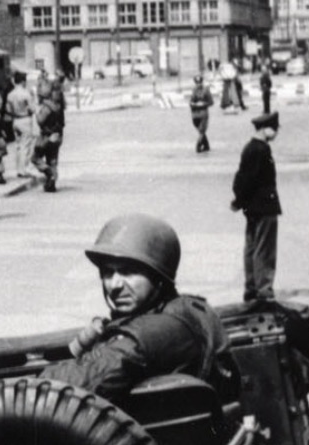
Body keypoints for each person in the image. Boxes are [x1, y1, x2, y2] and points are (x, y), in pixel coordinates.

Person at [42, 214, 230, 403]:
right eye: (108, 272)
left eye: (128, 272)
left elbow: (74, 383)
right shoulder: (182, 309)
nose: (114, 284)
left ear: (158, 277)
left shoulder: (155, 332)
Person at [232, 110, 281, 302]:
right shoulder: (261, 149)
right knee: (265, 250)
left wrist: (240, 201)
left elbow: (241, 178)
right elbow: (250, 179)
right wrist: (240, 200)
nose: (277, 133)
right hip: (265, 207)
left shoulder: (250, 147)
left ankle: (251, 288)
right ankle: (264, 291)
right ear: (266, 129)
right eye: (275, 129)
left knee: (251, 248)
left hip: (252, 207)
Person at [33, 77, 66, 191]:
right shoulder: (59, 106)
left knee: (35, 158)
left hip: (46, 136)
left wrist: (37, 112)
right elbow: (63, 123)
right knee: (52, 160)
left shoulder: (47, 107)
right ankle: (51, 183)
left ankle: (48, 173)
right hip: (58, 136)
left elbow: (40, 121)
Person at [5, 71, 36, 176]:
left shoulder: (10, 95)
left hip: (15, 120)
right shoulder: (26, 93)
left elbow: (8, 109)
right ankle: (24, 169)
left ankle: (18, 169)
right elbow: (33, 109)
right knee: (26, 145)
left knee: (18, 146)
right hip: (25, 119)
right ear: (23, 81)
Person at [188, 73, 214, 153]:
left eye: (199, 82)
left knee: (202, 130)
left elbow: (211, 102)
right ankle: (203, 145)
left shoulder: (206, 90)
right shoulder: (193, 90)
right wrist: (193, 104)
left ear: (202, 82)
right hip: (195, 114)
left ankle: (200, 146)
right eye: (197, 83)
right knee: (200, 131)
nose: (198, 84)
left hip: (203, 113)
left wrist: (203, 104)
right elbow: (190, 102)